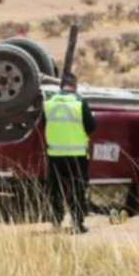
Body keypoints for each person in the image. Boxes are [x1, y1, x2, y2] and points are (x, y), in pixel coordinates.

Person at [42, 72, 97, 234]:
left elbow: (43, 123)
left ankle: (56, 221)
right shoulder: (79, 102)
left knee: (56, 189)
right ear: (75, 86)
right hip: (77, 154)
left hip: (55, 155)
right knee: (78, 189)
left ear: (61, 87)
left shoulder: (48, 102)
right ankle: (77, 223)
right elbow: (91, 127)